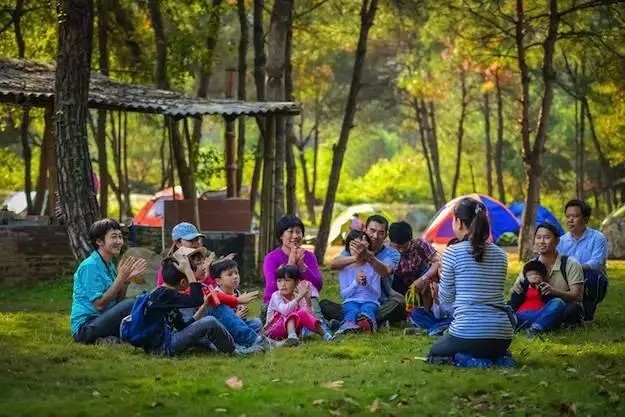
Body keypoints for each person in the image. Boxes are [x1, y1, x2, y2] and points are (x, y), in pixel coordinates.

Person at [428, 197, 513, 361]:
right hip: (502, 335)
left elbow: (446, 301)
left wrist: (438, 293)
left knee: (435, 352)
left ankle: (469, 361)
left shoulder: (452, 252)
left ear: (459, 222)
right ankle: (498, 358)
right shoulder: (501, 255)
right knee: (483, 347)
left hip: (467, 331)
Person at [70, 218, 148, 344]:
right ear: (99, 241)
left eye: (120, 237)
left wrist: (126, 280)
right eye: (114, 237)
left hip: (102, 320)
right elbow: (99, 305)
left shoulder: (109, 264)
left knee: (142, 300)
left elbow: (118, 301)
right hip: (85, 327)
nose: (119, 241)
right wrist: (120, 278)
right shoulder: (90, 266)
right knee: (132, 304)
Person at [142, 255, 235, 356]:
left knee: (204, 336)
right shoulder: (165, 295)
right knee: (210, 321)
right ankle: (233, 351)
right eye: (191, 279)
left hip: (163, 343)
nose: (192, 281)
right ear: (183, 282)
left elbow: (182, 326)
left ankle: (221, 348)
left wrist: (204, 307)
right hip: (163, 347)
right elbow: (197, 300)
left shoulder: (163, 294)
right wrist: (189, 272)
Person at [322, 214, 403, 325]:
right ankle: (368, 321)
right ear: (365, 229)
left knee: (399, 302)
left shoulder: (392, 253)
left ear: (385, 235)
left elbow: (385, 271)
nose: (375, 236)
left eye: (381, 232)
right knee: (324, 304)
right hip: (354, 301)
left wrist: (368, 257)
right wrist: (356, 257)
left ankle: (353, 320)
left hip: (381, 302)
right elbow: (334, 264)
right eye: (372, 230)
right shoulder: (354, 247)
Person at [512, 222, 585, 328]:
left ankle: (529, 324)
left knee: (569, 308)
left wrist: (554, 291)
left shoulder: (571, 264)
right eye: (538, 237)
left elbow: (578, 296)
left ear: (557, 241)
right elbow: (517, 290)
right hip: (534, 309)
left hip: (558, 308)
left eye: (547, 237)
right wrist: (517, 288)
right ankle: (540, 324)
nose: (541, 241)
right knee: (507, 310)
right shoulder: (530, 265)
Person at [261, 215, 325, 325]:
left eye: (298, 232)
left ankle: (320, 325)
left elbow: (318, 285)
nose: (295, 236)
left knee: (310, 299)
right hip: (277, 303)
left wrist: (302, 266)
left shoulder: (309, 256)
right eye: (290, 232)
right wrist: (290, 264)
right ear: (281, 235)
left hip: (302, 301)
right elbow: (271, 288)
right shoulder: (271, 258)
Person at [557, 199, 608, 320]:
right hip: (567, 278)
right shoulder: (561, 241)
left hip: (590, 278)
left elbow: (596, 263)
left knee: (593, 276)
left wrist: (574, 268)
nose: (570, 220)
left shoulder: (598, 237)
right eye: (568, 216)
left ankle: (588, 314)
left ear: (585, 219)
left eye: (575, 216)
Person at [264, 265, 334, 346]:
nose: (282, 284)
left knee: (301, 313)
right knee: (290, 312)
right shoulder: (276, 296)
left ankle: (327, 336)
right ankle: (292, 338)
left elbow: (309, 317)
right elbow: (285, 310)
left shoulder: (296, 295)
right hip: (273, 331)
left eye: (287, 280)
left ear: (296, 282)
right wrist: (299, 297)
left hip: (294, 330)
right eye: (279, 281)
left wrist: (308, 299)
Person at [336, 230, 382, 334]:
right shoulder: (345, 268)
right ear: (349, 248)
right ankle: (348, 326)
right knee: (352, 310)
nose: (358, 250)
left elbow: (376, 295)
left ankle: (368, 325)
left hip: (370, 301)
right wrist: (355, 283)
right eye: (355, 246)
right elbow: (344, 294)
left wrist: (366, 284)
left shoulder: (373, 266)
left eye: (362, 246)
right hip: (350, 301)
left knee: (367, 309)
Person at [508, 260, 567, 336]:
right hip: (520, 316)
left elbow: (550, 303)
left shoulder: (546, 288)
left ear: (543, 276)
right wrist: (525, 286)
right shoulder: (521, 287)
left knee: (558, 302)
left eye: (536, 274)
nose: (534, 276)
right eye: (530, 275)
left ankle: (535, 328)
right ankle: (513, 326)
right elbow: (514, 303)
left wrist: (541, 289)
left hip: (540, 315)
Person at [388, 221, 440, 305]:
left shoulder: (420, 245)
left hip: (419, 280)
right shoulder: (387, 249)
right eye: (397, 247)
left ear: (411, 240)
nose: (400, 251)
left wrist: (423, 278)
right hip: (398, 284)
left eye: (404, 247)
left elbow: (437, 262)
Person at [211, 257, 263, 334]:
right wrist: (236, 317)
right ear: (218, 281)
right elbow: (219, 322)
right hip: (223, 328)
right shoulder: (216, 295)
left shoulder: (236, 292)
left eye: (236, 273)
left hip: (237, 324)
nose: (235, 277)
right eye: (230, 274)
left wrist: (243, 310)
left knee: (257, 322)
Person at [155, 222, 206, 286]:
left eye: (197, 239)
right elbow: (164, 291)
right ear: (178, 243)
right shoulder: (170, 266)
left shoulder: (202, 261)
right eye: (190, 240)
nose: (195, 243)